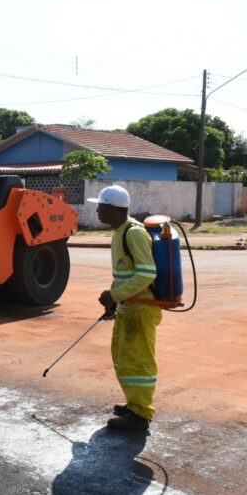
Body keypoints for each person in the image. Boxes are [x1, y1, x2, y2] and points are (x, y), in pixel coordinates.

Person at [88, 185, 161, 433]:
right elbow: (124, 275)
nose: (97, 211)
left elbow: (147, 273)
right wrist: (114, 301)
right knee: (124, 359)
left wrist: (114, 295)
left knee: (139, 363)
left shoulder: (133, 233)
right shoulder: (119, 232)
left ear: (111, 208)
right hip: (129, 308)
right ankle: (134, 404)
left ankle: (141, 415)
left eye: (100, 207)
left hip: (141, 310)